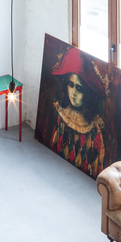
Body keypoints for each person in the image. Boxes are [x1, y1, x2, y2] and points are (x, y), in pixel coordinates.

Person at [50, 46, 106, 178]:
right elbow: (54, 146)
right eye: (71, 85)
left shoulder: (93, 130)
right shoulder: (63, 115)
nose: (73, 93)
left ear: (87, 93)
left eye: (79, 88)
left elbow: (97, 168)